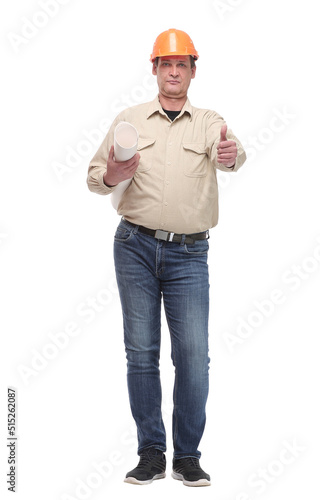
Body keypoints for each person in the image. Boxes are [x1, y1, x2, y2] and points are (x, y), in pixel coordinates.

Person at [87, 28, 247, 487]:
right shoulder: (130, 120)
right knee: (141, 354)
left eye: (182, 64)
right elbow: (95, 177)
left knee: (194, 357)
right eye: (165, 64)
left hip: (190, 255)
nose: (173, 71)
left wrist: (232, 155)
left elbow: (233, 155)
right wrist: (112, 172)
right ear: (154, 69)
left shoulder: (209, 121)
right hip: (133, 247)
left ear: (193, 71)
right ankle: (152, 453)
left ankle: (188, 456)